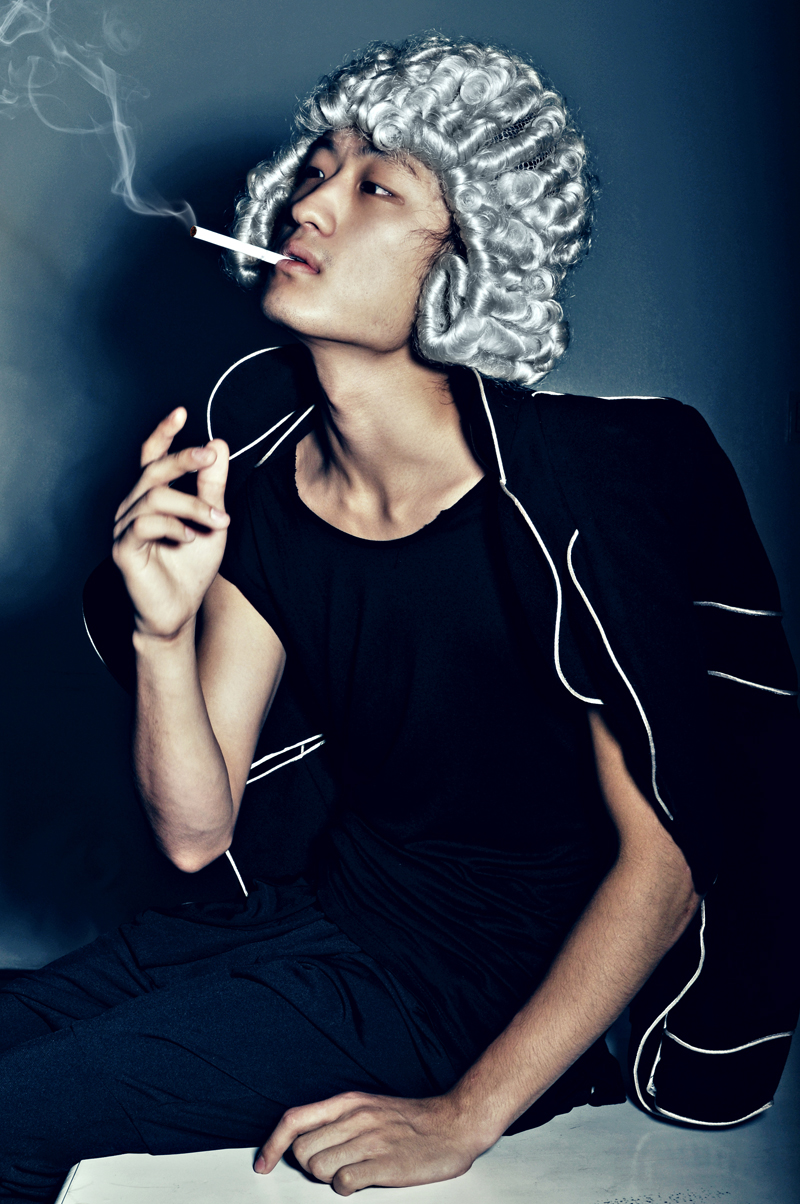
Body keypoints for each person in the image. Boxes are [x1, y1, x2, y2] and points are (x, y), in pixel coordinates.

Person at [1, 33, 798, 1203]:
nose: (308, 201)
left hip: (482, 995)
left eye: (376, 186)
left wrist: (463, 1115)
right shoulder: (266, 490)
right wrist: (163, 635)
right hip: (318, 922)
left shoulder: (575, 489)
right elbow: (194, 834)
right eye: (317, 168)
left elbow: (668, 857)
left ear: (469, 259)